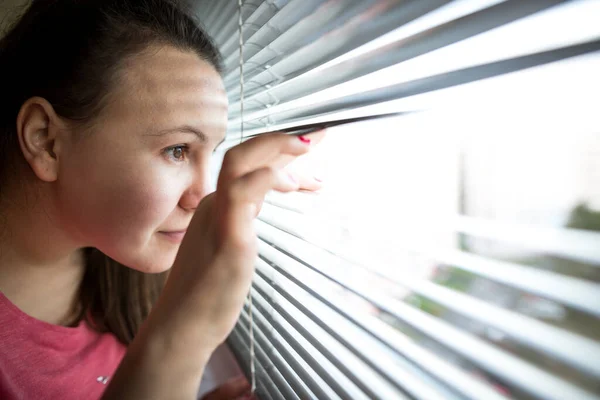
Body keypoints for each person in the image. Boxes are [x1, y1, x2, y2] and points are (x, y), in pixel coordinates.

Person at [0, 0, 325, 399]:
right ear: (46, 140)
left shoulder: (121, 273)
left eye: (212, 153)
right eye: (177, 150)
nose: (201, 196)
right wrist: (181, 338)